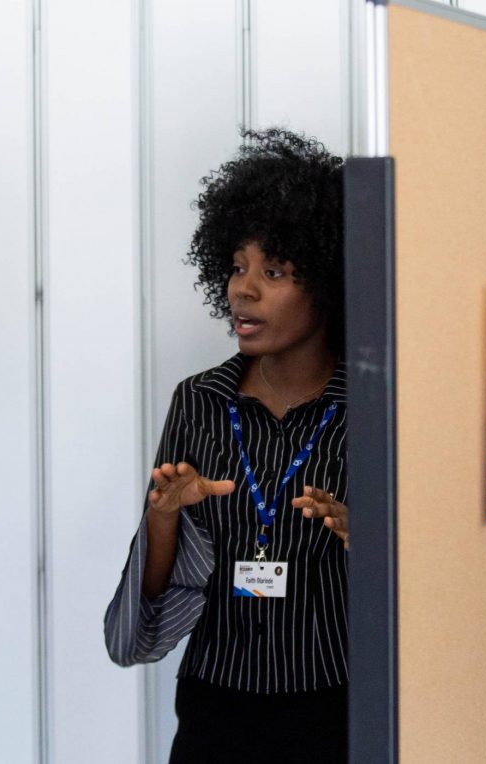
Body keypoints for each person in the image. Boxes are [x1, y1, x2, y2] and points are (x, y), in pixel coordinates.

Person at [105, 129, 349, 762]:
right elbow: (153, 598)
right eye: (238, 268)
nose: (244, 290)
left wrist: (366, 536)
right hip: (215, 705)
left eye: (273, 272)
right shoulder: (199, 401)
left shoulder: (369, 408)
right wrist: (164, 517)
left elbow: (422, 586)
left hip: (333, 706)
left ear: (327, 282)